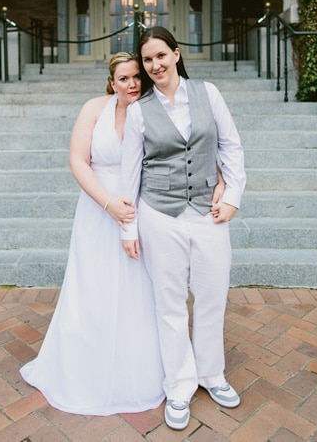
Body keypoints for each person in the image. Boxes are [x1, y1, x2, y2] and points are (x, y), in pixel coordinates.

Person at [20, 52, 166, 415]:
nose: (131, 84)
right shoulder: (93, 108)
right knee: (92, 286)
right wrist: (108, 204)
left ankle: (139, 370)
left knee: (139, 288)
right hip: (97, 209)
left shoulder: (154, 109)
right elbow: (77, 160)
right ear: (111, 81)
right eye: (123, 78)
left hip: (140, 208)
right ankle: (85, 367)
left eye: (136, 77)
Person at [119, 26, 246, 431]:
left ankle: (212, 373)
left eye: (160, 56)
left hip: (209, 212)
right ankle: (179, 384)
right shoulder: (140, 110)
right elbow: (130, 171)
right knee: (170, 302)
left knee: (212, 295)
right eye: (147, 60)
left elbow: (231, 146)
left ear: (176, 54)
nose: (154, 65)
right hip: (159, 213)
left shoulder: (208, 93)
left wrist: (232, 197)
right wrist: (129, 228)